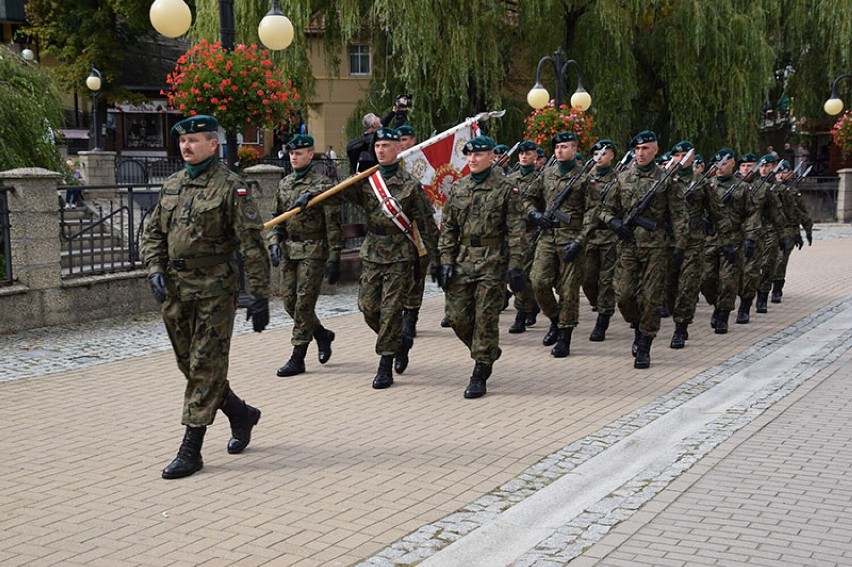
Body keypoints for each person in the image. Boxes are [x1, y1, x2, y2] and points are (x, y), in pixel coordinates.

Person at [140, 115, 270, 480]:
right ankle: (241, 414)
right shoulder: (172, 185)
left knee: (204, 367)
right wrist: (153, 269)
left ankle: (191, 449)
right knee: (190, 365)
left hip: (215, 289)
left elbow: (252, 245)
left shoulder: (231, 186)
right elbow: (151, 235)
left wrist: (258, 296)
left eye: (194, 140)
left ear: (213, 144)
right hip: (176, 289)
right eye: (183, 142)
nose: (186, 146)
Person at [321, 127, 439, 388]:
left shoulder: (410, 185)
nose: (381, 150)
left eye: (387, 146)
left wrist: (438, 260)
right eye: (378, 146)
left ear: (398, 149)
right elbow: (336, 195)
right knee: (368, 308)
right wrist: (311, 198)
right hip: (373, 252)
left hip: (400, 255)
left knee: (390, 310)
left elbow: (427, 224)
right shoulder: (367, 181)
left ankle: (385, 364)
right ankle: (400, 342)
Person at [438, 135, 526, 398]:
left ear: (491, 156)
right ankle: (487, 350)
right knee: (456, 317)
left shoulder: (506, 188)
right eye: (469, 155)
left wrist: (516, 266)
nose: (472, 159)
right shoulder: (458, 188)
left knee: (486, 316)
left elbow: (516, 231)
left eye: (478, 155)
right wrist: (444, 261)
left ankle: (481, 369)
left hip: (493, 260)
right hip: (463, 258)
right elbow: (449, 229)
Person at [598, 130, 687, 369]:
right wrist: (615, 223)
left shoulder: (667, 180)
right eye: (637, 149)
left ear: (656, 150)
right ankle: (638, 325)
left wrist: (679, 246)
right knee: (624, 295)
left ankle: (645, 344)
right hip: (628, 246)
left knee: (650, 298)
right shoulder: (622, 178)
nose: (640, 153)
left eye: (645, 148)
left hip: (656, 246)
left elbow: (678, 215)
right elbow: (605, 209)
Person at [267, 134, 342, 378]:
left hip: (313, 250)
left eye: (299, 153)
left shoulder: (322, 184)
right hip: (290, 250)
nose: (294, 157)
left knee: (303, 303)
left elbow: (333, 223)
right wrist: (274, 243)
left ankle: (297, 357)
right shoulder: (285, 183)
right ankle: (322, 334)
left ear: (310, 154)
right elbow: (277, 217)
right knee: (289, 302)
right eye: (291, 153)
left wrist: (334, 257)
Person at [523, 131, 594, 357]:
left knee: (569, 290)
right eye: (557, 147)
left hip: (571, 239)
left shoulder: (584, 178)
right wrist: (535, 214)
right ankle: (555, 319)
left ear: (574, 149)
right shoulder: (546, 173)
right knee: (538, 281)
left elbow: (593, 213)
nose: (560, 151)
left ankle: (565, 336)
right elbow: (527, 198)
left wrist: (580, 241)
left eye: (564, 147)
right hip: (547, 237)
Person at [666, 141, 734, 349]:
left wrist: (728, 242)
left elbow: (718, 213)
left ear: (692, 157)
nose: (680, 158)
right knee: (669, 288)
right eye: (676, 155)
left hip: (693, 243)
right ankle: (677, 315)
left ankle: (681, 327)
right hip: (668, 243)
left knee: (689, 286)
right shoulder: (664, 180)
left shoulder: (702, 183)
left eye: (684, 155)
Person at [699, 148, 760, 334]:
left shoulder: (742, 187)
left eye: (724, 163)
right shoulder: (707, 185)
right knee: (706, 280)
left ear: (732, 163)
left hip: (733, 240)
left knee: (728, 280)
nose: (719, 167)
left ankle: (723, 314)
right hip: (710, 240)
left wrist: (750, 238)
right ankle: (717, 304)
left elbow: (752, 214)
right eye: (716, 164)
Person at [396, 125, 438, 350]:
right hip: (396, 235)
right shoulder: (394, 164)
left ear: (413, 139)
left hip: (418, 230)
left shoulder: (420, 157)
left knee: (416, 276)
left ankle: (410, 317)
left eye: (404, 139)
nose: (402, 144)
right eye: (399, 140)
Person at [582, 139, 620, 341]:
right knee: (587, 279)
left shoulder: (620, 179)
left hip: (610, 236)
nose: (599, 157)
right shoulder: (585, 178)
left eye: (603, 153)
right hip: (589, 235)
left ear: (612, 156)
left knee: (607, 280)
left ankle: (603, 320)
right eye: (595, 153)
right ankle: (599, 303)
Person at [505, 140, 541, 334]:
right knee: (513, 274)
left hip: (532, 232)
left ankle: (521, 314)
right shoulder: (510, 179)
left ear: (536, 156)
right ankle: (531, 304)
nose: (524, 156)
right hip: (513, 233)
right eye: (521, 153)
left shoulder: (541, 179)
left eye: (528, 153)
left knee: (525, 274)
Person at [772, 160, 813, 302]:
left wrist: (805, 231)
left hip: (787, 229)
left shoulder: (793, 191)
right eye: (778, 172)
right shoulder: (767, 188)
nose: (780, 175)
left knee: (781, 260)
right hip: (769, 230)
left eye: (783, 172)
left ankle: (777, 289)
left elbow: (801, 213)